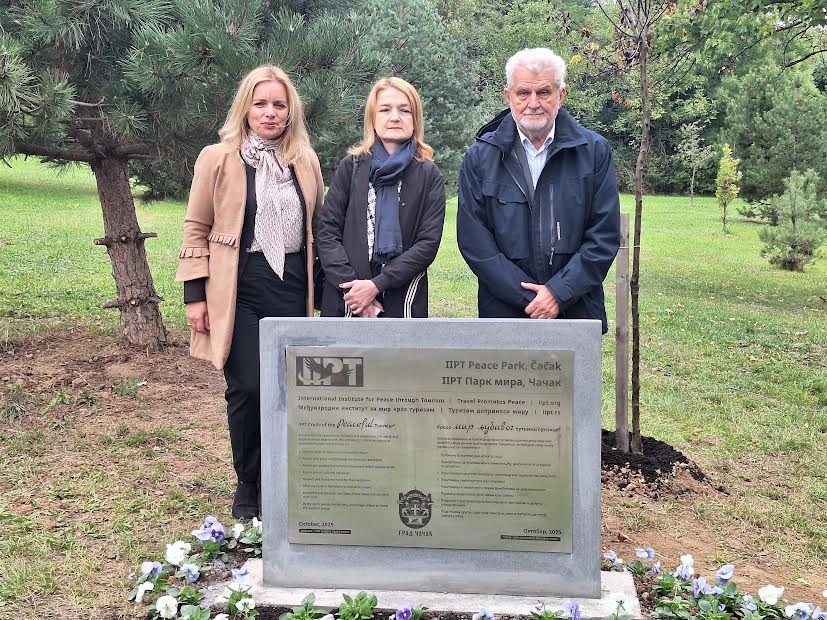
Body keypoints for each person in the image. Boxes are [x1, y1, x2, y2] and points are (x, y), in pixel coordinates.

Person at [175, 65, 324, 519]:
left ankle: (282, 480)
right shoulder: (218, 158)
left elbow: (320, 228)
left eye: (279, 104)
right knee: (247, 387)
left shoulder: (305, 160)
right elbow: (196, 227)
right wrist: (195, 295)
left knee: (287, 389)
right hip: (238, 286)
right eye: (260, 103)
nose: (270, 112)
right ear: (245, 108)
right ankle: (248, 484)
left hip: (292, 285)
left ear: (290, 112)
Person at [457, 48, 620, 333]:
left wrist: (559, 293)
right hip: (504, 316)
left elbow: (603, 236)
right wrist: (531, 299)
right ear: (508, 97)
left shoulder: (594, 152)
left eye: (544, 92)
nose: (533, 103)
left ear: (561, 95)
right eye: (523, 93)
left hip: (576, 312)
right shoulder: (480, 157)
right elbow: (475, 243)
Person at [316, 77, 445, 318]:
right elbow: (327, 232)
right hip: (347, 297)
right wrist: (353, 289)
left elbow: (427, 244)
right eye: (385, 109)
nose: (394, 117)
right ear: (372, 118)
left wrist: (377, 285)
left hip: (403, 298)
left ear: (415, 118)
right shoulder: (351, 167)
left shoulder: (428, 174)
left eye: (404, 110)